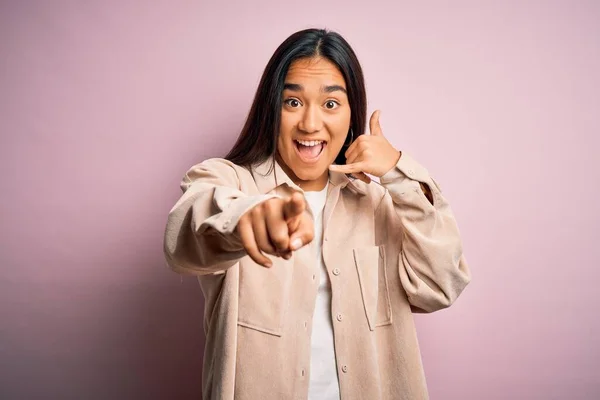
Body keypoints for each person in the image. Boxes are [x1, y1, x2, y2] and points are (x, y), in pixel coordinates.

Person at [163, 28, 471, 400]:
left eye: (330, 104)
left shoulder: (380, 203)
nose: (310, 124)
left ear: (351, 113)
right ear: (270, 108)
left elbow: (441, 285)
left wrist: (398, 171)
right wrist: (247, 218)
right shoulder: (229, 181)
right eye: (292, 102)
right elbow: (185, 235)